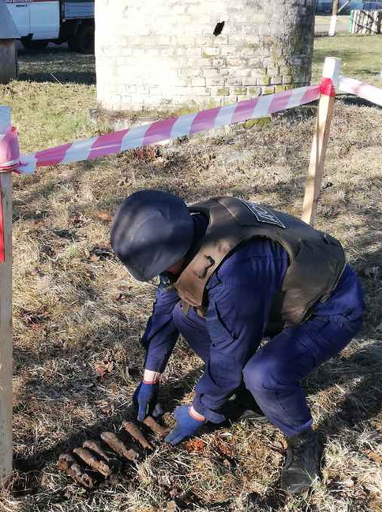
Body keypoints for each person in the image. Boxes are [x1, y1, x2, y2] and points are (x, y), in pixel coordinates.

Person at [109, 190, 365, 494]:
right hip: (276, 295)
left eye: (162, 268)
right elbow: (166, 305)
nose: (162, 275)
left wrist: (198, 411)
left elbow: (229, 355)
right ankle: (252, 399)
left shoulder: (233, 273)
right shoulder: (186, 227)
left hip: (331, 306)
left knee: (265, 374)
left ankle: (303, 440)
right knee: (184, 315)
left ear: (173, 253)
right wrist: (150, 378)